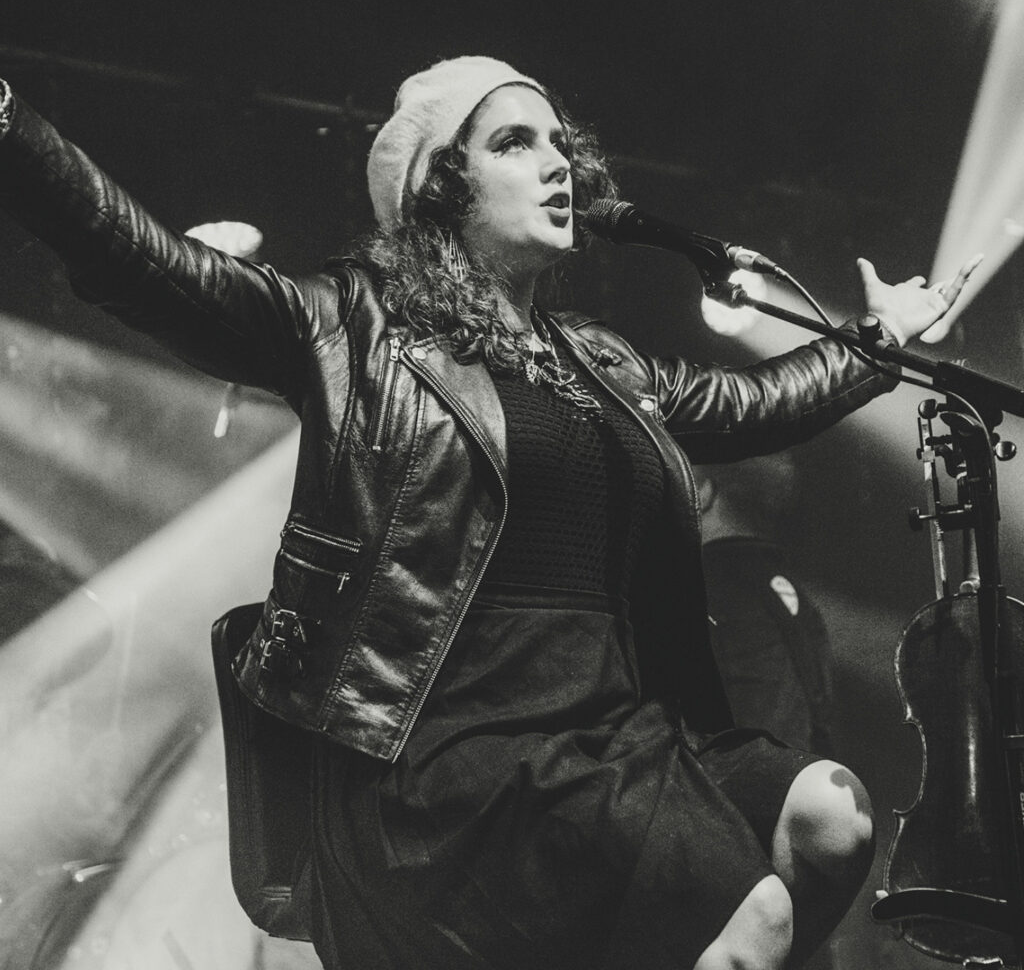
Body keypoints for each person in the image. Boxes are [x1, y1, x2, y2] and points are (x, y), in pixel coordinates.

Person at [0, 57, 976, 970]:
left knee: (831, 818)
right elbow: (132, 254)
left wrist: (879, 340)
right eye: (515, 142)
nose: (557, 163)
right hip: (449, 758)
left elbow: (746, 405)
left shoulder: (604, 361)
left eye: (561, 145)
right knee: (751, 908)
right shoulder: (353, 323)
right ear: (441, 184)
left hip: (616, 734)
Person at [697, 455, 836, 756]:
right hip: (804, 783)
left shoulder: (703, 584)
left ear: (704, 493)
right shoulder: (794, 592)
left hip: (737, 790)